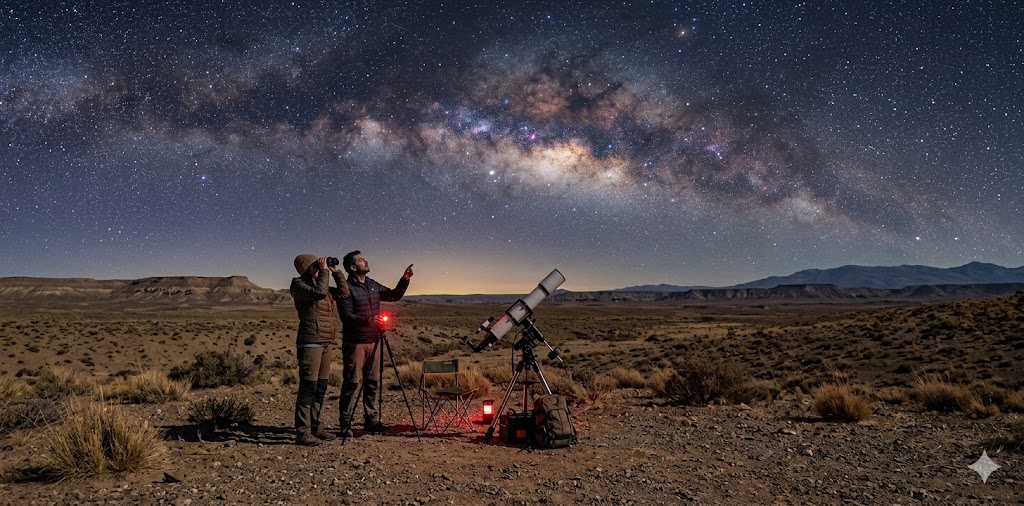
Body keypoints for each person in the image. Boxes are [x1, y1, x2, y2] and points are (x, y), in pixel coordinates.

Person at [337, 250, 414, 436]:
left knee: (372, 382)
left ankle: (370, 420)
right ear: (353, 267)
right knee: (352, 383)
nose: (366, 261)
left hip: (375, 340)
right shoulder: (346, 288)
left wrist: (404, 279)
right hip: (355, 342)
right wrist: (370, 319)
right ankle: (345, 423)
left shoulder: (372, 284)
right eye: (362, 260)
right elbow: (346, 316)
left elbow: (394, 295)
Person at [289, 254, 349, 446]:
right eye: (315, 263)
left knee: (321, 387)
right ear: (305, 267)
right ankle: (303, 431)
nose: (319, 265)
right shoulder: (298, 285)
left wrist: (335, 272)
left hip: (326, 342)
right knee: (308, 388)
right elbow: (320, 293)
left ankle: (316, 427)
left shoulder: (320, 282)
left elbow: (344, 293)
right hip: (310, 342)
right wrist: (323, 271)